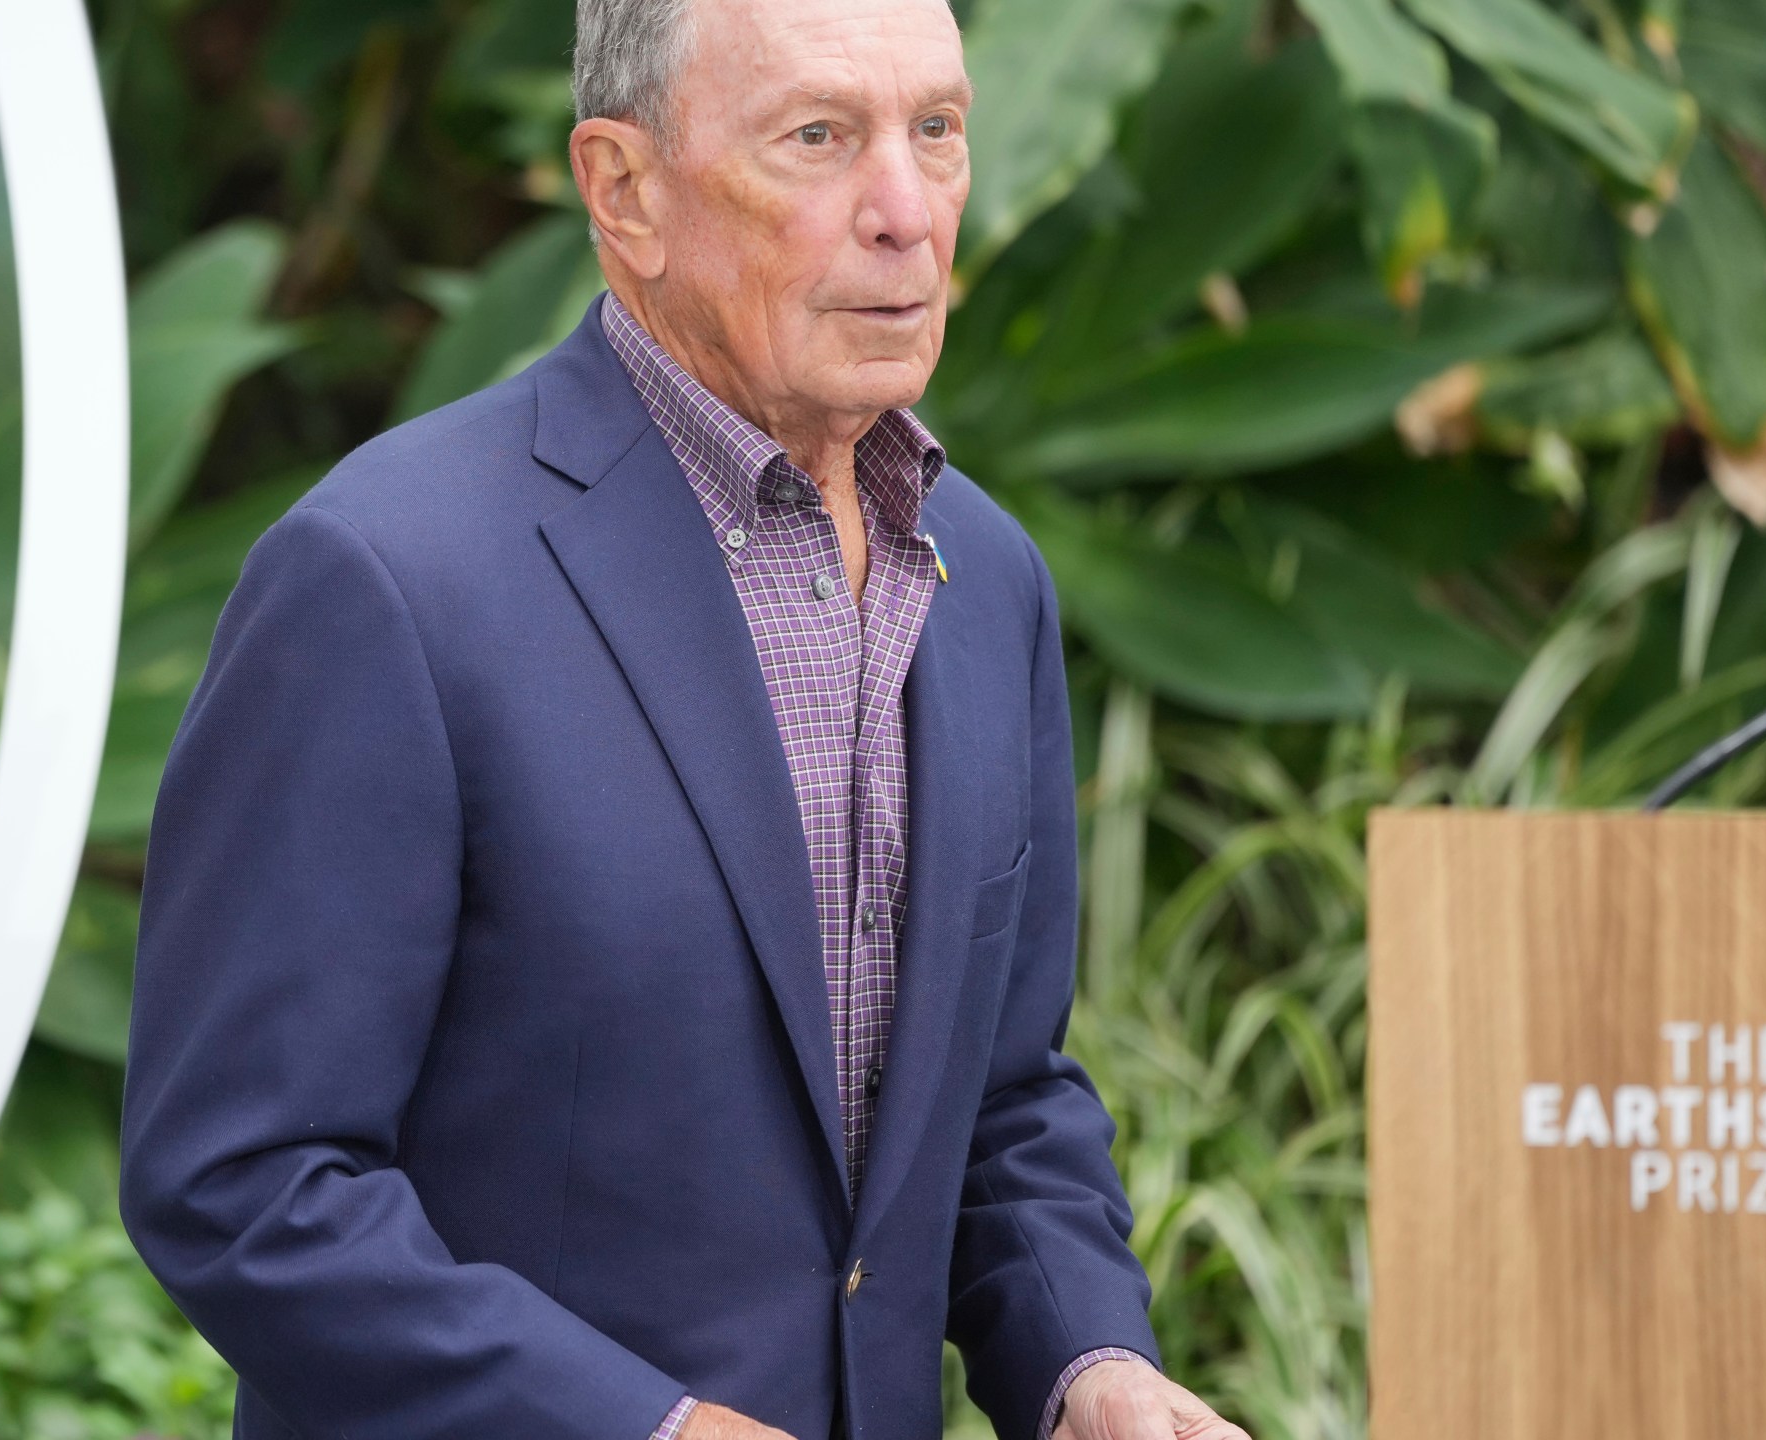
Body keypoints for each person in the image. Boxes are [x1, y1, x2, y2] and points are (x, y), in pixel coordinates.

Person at [118, 1, 1248, 1437]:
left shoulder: (986, 580)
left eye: (938, 131)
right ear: (625, 191)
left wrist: (1094, 1366)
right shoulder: (387, 581)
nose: (906, 211)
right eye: (819, 138)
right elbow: (241, 1182)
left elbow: (1003, 1102)